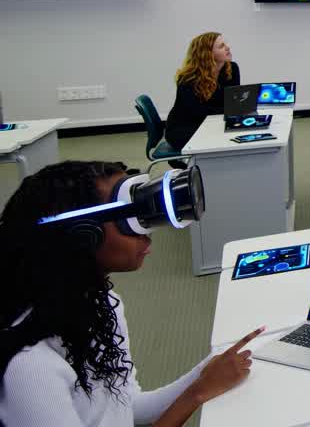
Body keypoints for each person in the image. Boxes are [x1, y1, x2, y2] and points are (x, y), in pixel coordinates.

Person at [0, 160, 262, 425]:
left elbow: (126, 408)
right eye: (131, 221)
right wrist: (197, 393)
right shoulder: (30, 367)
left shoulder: (104, 305)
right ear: (83, 236)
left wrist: (207, 371)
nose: (147, 236)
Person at [165, 32, 239, 152]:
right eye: (221, 46)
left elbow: (233, 100)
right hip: (184, 128)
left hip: (214, 123)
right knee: (226, 139)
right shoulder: (187, 78)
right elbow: (198, 112)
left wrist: (237, 109)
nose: (228, 47)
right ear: (207, 54)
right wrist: (232, 111)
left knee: (238, 134)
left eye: (226, 44)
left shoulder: (232, 68)